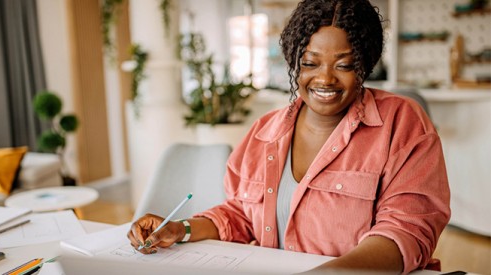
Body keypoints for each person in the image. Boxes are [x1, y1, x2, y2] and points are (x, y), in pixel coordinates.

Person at [128, 0, 451, 273]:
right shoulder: (265, 131)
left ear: (365, 65)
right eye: (310, 63)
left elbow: (407, 232)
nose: (325, 78)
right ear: (295, 63)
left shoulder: (401, 122)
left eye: (344, 65)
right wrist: (179, 229)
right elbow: (240, 215)